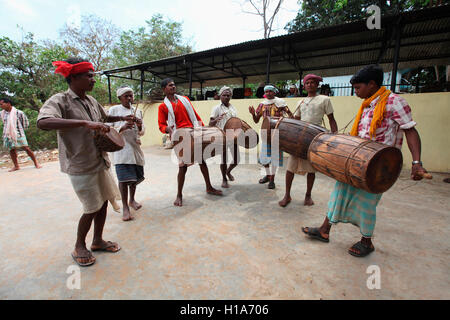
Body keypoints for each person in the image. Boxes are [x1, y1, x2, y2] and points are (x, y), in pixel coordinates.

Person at [302, 65, 429, 257]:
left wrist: (416, 163)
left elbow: (410, 130)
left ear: (372, 84)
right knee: (340, 192)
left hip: (379, 165)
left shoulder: (394, 102)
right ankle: (324, 230)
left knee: (366, 203)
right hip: (358, 159)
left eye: (358, 87)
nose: (355, 91)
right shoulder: (368, 103)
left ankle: (367, 242)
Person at [37, 58, 136, 267]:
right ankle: (79, 246)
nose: (93, 79)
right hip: (80, 164)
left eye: (93, 75)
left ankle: (98, 241)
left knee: (102, 203)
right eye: (88, 75)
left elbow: (104, 117)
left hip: (99, 160)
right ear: (73, 77)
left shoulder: (91, 101)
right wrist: (83, 122)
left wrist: (122, 119)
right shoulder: (60, 100)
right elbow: (43, 122)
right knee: (91, 207)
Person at [158, 78, 223, 207]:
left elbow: (195, 115)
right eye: (170, 85)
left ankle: (209, 187)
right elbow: (161, 124)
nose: (173, 87)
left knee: (202, 160)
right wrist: (167, 129)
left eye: (174, 85)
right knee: (182, 167)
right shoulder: (163, 106)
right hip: (180, 136)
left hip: (194, 131)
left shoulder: (185, 100)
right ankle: (179, 195)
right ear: (164, 89)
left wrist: (203, 128)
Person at [279, 74, 338, 207]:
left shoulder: (325, 99)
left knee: (311, 169)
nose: (310, 84)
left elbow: (331, 119)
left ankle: (308, 196)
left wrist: (335, 137)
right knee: (290, 168)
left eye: (312, 82)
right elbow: (297, 121)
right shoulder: (300, 102)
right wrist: (288, 114)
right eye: (307, 83)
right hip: (299, 138)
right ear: (304, 86)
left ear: (317, 85)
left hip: (315, 137)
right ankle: (287, 195)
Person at [108, 86, 145, 221]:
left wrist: (139, 125)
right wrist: (122, 127)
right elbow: (107, 129)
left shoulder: (138, 111)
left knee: (134, 179)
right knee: (123, 180)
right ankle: (125, 207)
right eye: (126, 96)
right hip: (121, 150)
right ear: (120, 98)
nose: (129, 98)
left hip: (135, 149)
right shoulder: (114, 110)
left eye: (131, 95)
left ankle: (132, 200)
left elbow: (142, 132)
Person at [249, 84, 293, 189]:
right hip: (265, 133)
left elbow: (291, 116)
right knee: (264, 158)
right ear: (264, 93)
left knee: (274, 158)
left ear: (274, 92)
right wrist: (252, 114)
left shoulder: (281, 103)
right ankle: (268, 175)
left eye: (270, 91)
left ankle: (272, 180)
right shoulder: (262, 105)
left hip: (278, 133)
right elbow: (256, 120)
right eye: (266, 91)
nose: (268, 93)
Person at [0, 97, 42, 172]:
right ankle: (16, 166)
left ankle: (36, 163)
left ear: (8, 104)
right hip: (8, 134)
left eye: (2, 104)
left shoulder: (19, 112)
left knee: (26, 148)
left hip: (19, 133)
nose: (1, 106)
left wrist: (20, 131)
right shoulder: (2, 113)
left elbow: (25, 123)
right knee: (12, 150)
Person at [209, 86, 239, 188]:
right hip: (222, 135)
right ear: (220, 96)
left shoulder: (233, 108)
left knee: (236, 159)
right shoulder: (217, 108)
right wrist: (217, 119)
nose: (226, 97)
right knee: (224, 159)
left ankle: (228, 172)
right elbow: (210, 123)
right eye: (224, 95)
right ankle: (224, 179)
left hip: (233, 135)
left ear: (230, 96)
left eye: (228, 95)